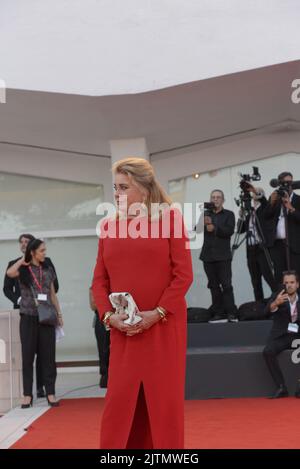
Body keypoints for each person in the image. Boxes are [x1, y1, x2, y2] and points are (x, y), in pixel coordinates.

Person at [92, 157, 193, 449]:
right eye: (114, 187)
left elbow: (183, 275)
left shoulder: (171, 219)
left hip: (163, 330)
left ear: (144, 189)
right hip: (123, 332)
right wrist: (110, 318)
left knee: (163, 407)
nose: (116, 193)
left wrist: (157, 313)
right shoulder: (109, 227)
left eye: (124, 187)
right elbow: (99, 281)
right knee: (119, 408)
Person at [6, 239, 63, 408]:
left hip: (46, 317)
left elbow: (53, 294)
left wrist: (59, 314)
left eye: (45, 250)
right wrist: (21, 261)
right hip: (28, 317)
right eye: (41, 251)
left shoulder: (48, 269)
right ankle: (27, 395)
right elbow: (9, 273)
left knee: (48, 356)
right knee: (28, 356)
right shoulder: (23, 270)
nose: (44, 253)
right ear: (33, 253)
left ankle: (50, 393)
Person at [199, 189, 238, 322]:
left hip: (223, 256)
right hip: (207, 256)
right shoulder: (204, 214)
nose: (215, 199)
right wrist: (201, 224)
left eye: (218, 197)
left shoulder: (229, 214)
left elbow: (229, 231)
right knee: (213, 285)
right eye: (213, 197)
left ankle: (231, 311)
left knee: (226, 285)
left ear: (223, 200)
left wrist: (214, 227)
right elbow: (195, 231)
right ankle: (218, 312)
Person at [263, 271, 300, 399]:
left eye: (292, 282)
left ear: (297, 284)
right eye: (286, 283)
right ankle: (281, 386)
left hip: (298, 336)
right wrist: (275, 304)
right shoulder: (278, 296)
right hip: (282, 336)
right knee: (268, 351)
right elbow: (265, 312)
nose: (289, 285)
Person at [238, 186, 276, 301]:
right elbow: (240, 230)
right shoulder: (249, 213)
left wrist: (256, 191)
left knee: (269, 277)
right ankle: (259, 306)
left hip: (262, 248)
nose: (253, 195)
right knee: (255, 281)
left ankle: (277, 302)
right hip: (250, 249)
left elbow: (265, 203)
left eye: (256, 193)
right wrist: (241, 216)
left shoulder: (265, 208)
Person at [264, 172, 300, 288]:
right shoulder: (276, 198)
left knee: (295, 276)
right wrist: (271, 202)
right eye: (284, 183)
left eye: (290, 183)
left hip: (294, 245)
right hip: (277, 245)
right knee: (280, 276)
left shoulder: (298, 200)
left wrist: (291, 208)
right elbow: (266, 216)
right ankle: (282, 303)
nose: (288, 185)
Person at [89, 287, 110, 388]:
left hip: (116, 317)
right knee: (103, 349)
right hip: (101, 319)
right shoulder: (94, 287)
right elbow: (93, 306)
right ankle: (105, 375)